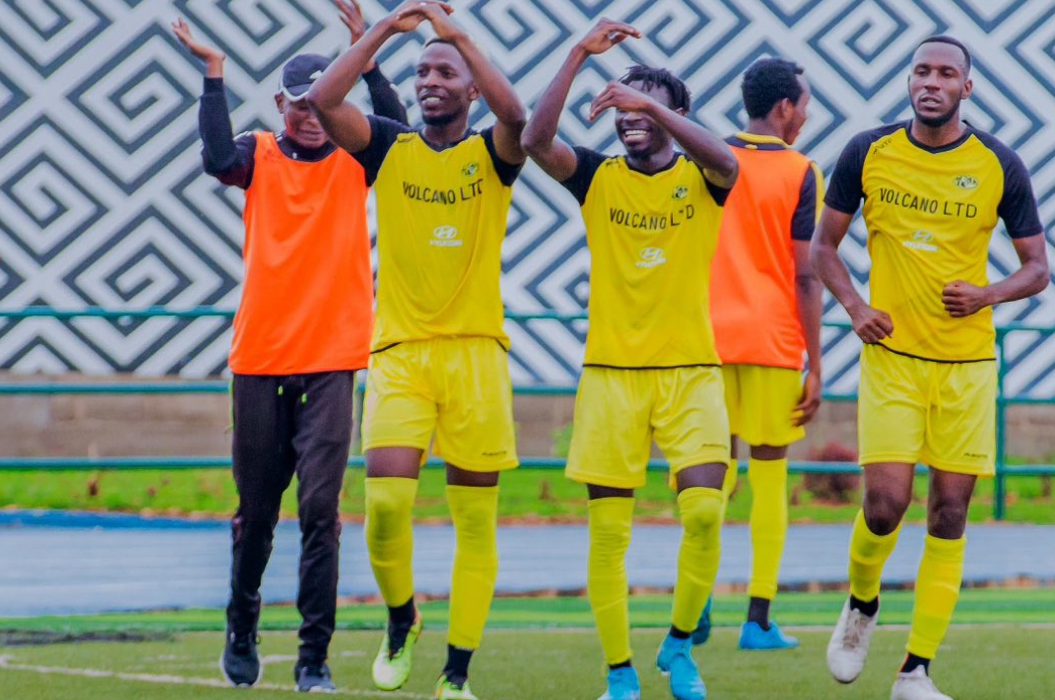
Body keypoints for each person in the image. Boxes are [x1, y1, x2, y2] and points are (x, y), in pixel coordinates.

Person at [173, 0, 408, 690]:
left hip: (333, 362)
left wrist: (366, 47)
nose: (307, 114)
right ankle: (242, 620)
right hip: (261, 361)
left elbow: (401, 129)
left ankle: (314, 657)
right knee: (258, 512)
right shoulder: (260, 152)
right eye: (296, 103)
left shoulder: (358, 159)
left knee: (320, 514)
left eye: (317, 102)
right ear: (279, 103)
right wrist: (214, 74)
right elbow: (216, 158)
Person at [811, 35, 1050, 700]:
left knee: (949, 513)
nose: (932, 82)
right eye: (922, 70)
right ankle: (862, 604)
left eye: (947, 73)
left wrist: (988, 293)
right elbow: (822, 249)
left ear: (966, 88)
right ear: (908, 79)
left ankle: (915, 671)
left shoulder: (1000, 164)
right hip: (891, 359)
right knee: (886, 506)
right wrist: (855, 306)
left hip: (967, 366)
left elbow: (1037, 269)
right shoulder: (867, 151)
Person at [307, 3, 526, 698]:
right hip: (401, 354)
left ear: (468, 87)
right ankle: (403, 620)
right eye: (422, 70)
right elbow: (322, 99)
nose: (429, 78)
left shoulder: (495, 152)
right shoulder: (389, 147)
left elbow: (519, 117)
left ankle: (457, 674)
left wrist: (457, 33)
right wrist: (381, 34)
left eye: (445, 71)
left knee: (474, 524)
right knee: (386, 508)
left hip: (477, 358)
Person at [521, 18, 739, 700]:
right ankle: (619, 673)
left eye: (643, 105)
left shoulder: (706, 178)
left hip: (690, 373)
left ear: (675, 116)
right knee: (609, 534)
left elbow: (731, 164)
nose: (627, 114)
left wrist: (649, 100)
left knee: (704, 512)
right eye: (620, 103)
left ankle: (678, 646)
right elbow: (533, 141)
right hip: (611, 376)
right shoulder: (597, 178)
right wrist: (578, 52)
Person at [701, 57, 824, 651]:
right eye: (803, 106)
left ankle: (693, 605)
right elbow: (806, 275)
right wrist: (818, 364)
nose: (804, 118)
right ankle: (757, 620)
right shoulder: (802, 171)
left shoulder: (704, 156)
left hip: (706, 338)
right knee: (769, 480)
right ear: (784, 109)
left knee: (708, 480)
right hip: (774, 342)